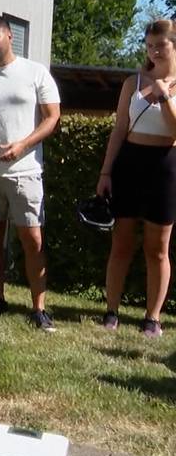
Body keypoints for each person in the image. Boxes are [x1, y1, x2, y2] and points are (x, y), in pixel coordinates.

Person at [0, 16, 61, 332]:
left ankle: (39, 309)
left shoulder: (34, 72)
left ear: (9, 35)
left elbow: (52, 117)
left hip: (25, 170)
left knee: (32, 239)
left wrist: (22, 145)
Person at [96, 19, 176, 338]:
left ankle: (152, 318)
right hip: (129, 163)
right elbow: (119, 129)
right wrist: (105, 172)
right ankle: (111, 311)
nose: (154, 51)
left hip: (166, 165)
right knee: (121, 243)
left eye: (161, 44)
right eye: (149, 45)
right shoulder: (134, 81)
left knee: (157, 248)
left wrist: (166, 96)